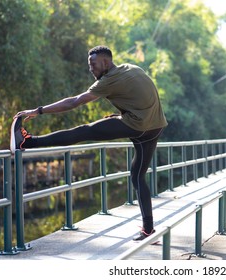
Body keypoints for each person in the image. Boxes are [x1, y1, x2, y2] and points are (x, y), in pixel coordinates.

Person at [10, 45, 168, 241]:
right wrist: (121, 115)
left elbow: (74, 101)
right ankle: (148, 229)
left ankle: (27, 142)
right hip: (155, 126)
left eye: (93, 64)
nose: (91, 69)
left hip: (137, 125)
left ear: (105, 62)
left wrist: (39, 110)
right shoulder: (131, 68)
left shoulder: (108, 80)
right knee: (137, 176)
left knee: (84, 131)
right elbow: (140, 97)